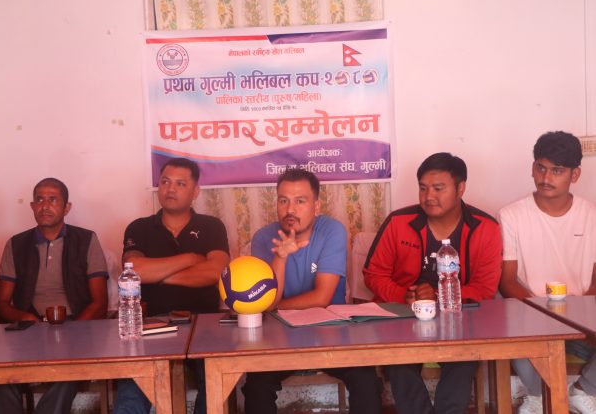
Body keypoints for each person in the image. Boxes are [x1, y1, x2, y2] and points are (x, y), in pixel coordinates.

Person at [363, 152, 502, 414]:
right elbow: (373, 273)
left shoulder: (485, 227)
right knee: (398, 361)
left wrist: (437, 297)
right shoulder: (398, 222)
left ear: (460, 188)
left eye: (439, 188)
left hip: (461, 321)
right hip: (403, 318)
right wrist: (404, 295)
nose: (429, 196)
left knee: (463, 361)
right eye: (423, 188)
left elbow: (484, 289)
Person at [242, 168, 383, 414]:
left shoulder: (332, 231)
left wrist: (274, 306)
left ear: (316, 206)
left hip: (332, 334)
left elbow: (321, 297)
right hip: (278, 338)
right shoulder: (263, 238)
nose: (290, 210)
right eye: (283, 200)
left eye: (300, 201)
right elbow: (267, 300)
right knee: (256, 386)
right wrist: (281, 257)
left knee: (366, 380)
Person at [114, 158, 230, 414]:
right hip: (152, 325)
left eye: (180, 184)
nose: (171, 189)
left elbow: (215, 272)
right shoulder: (139, 227)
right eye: (165, 182)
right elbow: (134, 270)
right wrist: (189, 259)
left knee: (215, 384)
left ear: (195, 191)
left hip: (205, 325)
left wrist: (156, 274)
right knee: (132, 387)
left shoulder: (212, 226)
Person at [0, 177, 109, 414]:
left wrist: (74, 332)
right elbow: (1, 304)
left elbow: (99, 303)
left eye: (53, 200)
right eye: (40, 200)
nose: (45, 206)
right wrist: (25, 318)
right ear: (32, 206)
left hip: (77, 328)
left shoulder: (86, 239)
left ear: (67, 207)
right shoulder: (16, 244)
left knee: (68, 373)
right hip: (29, 330)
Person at [499, 131, 596, 414]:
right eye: (541, 168)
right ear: (532, 168)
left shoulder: (591, 215)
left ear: (575, 174)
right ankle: (537, 395)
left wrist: (582, 316)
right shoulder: (511, 215)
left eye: (557, 170)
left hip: (582, 317)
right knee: (506, 311)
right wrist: (542, 313)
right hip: (532, 315)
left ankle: (584, 390)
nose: (546, 177)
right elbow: (507, 281)